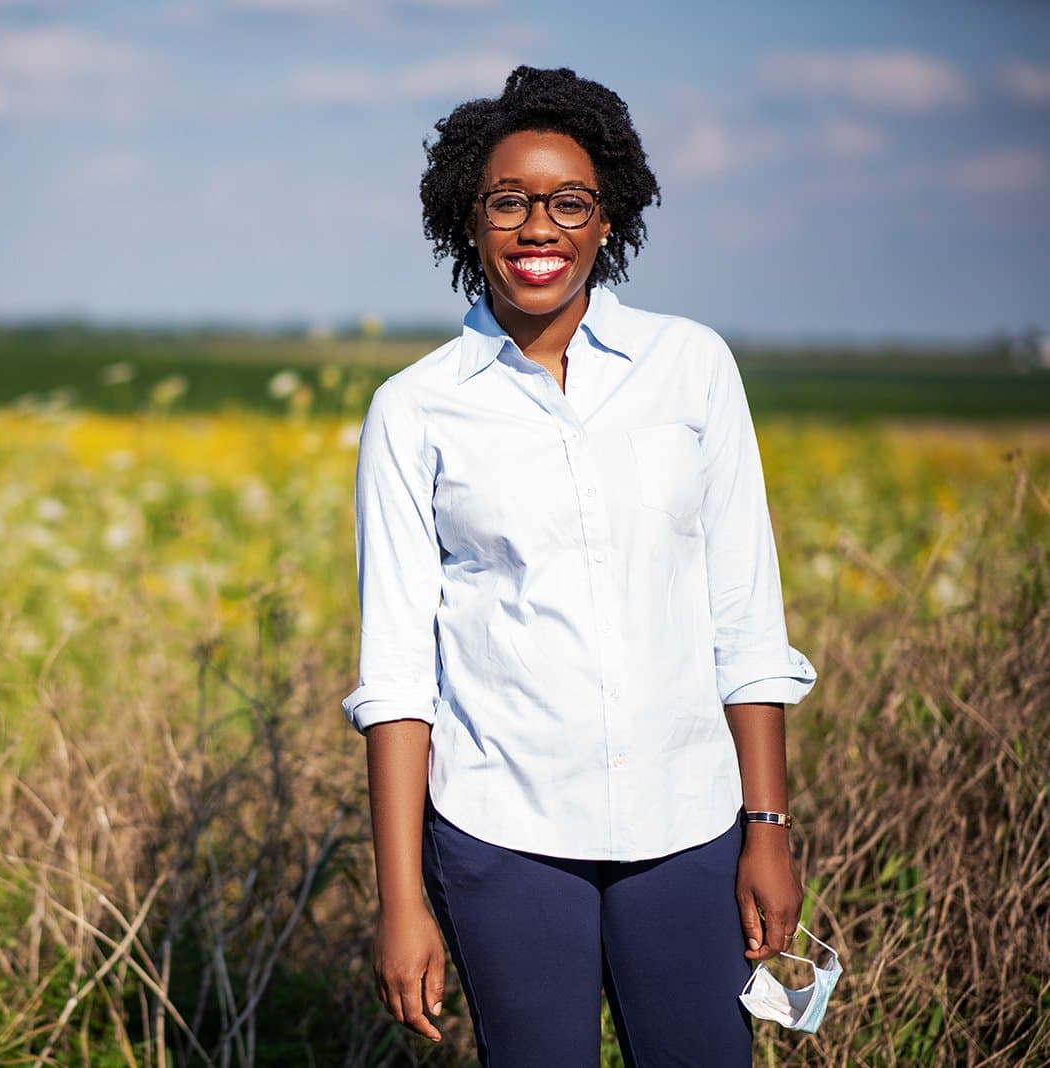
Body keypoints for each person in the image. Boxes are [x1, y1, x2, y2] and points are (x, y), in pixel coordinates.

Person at [342, 65, 817, 1067]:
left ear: (611, 220)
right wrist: (399, 900)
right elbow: (396, 678)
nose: (537, 228)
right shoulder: (414, 409)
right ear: (466, 220)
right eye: (507, 202)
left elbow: (745, 619)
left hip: (690, 824)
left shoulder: (691, 368)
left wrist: (765, 826)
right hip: (498, 828)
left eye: (569, 202)